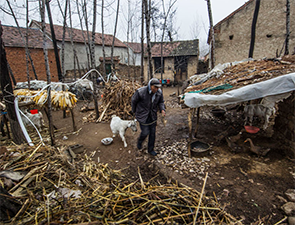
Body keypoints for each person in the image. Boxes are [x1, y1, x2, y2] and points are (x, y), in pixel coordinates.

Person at [131, 78, 166, 156]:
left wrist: (162, 109)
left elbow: (161, 102)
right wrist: (134, 112)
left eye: (158, 87)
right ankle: (140, 141)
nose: (157, 89)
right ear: (150, 86)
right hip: (142, 115)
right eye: (155, 87)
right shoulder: (141, 92)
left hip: (152, 115)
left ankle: (151, 149)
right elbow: (133, 101)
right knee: (145, 132)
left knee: (152, 134)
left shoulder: (159, 92)